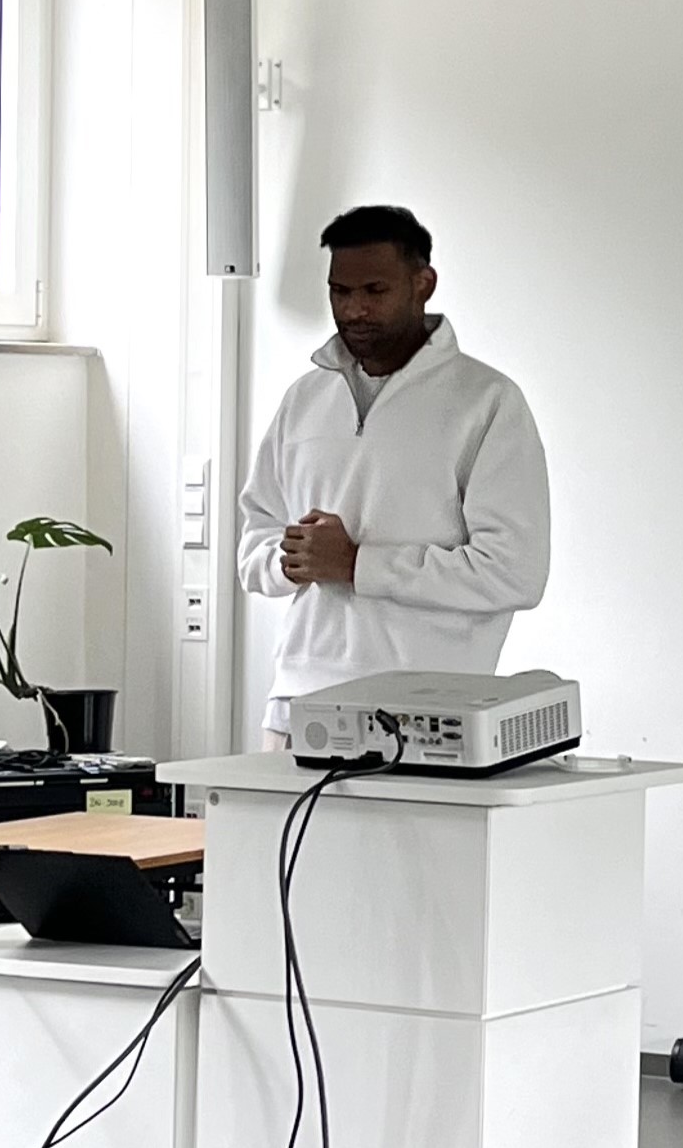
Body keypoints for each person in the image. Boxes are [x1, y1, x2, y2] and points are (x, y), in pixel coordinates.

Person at [236, 204, 553, 749]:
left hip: (430, 714)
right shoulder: (304, 399)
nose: (354, 309)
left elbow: (514, 573)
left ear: (423, 283)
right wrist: (289, 560)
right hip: (297, 706)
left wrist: (358, 564)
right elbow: (254, 543)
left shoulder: (487, 402)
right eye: (340, 291)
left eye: (374, 291)